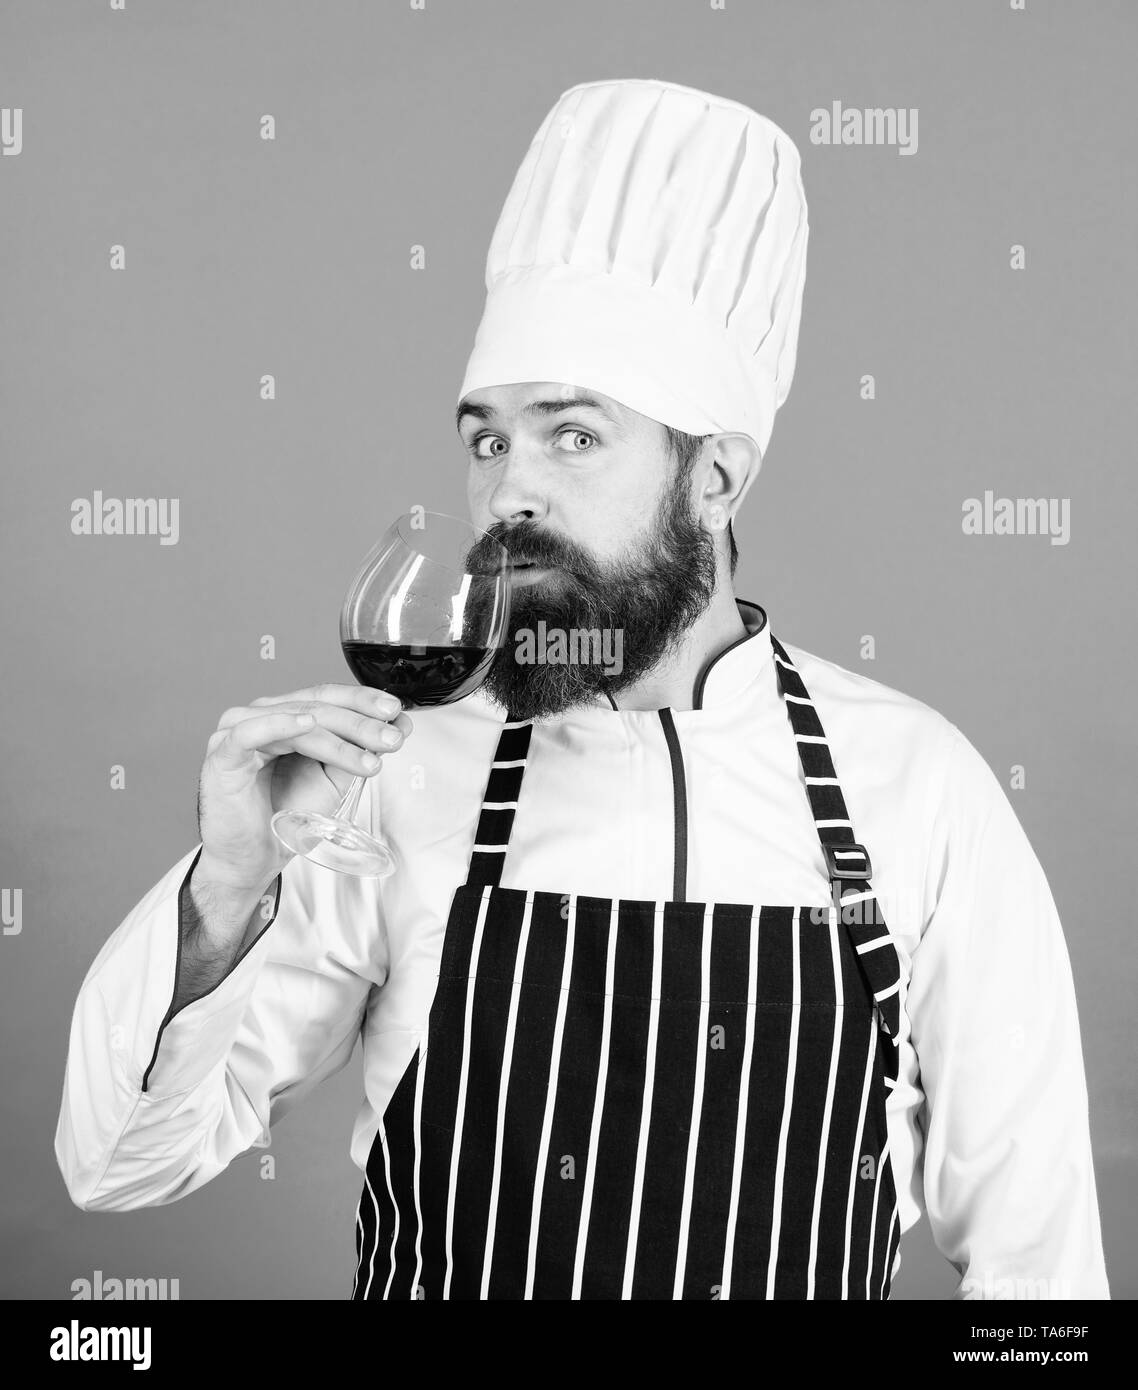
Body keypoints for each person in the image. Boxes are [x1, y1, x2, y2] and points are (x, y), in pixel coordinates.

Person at [55, 78, 1109, 1301]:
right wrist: (227, 886)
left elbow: (1040, 1285)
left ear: (713, 477)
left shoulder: (918, 787)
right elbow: (121, 1167)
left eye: (572, 435)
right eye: (487, 438)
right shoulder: (397, 777)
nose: (507, 491)